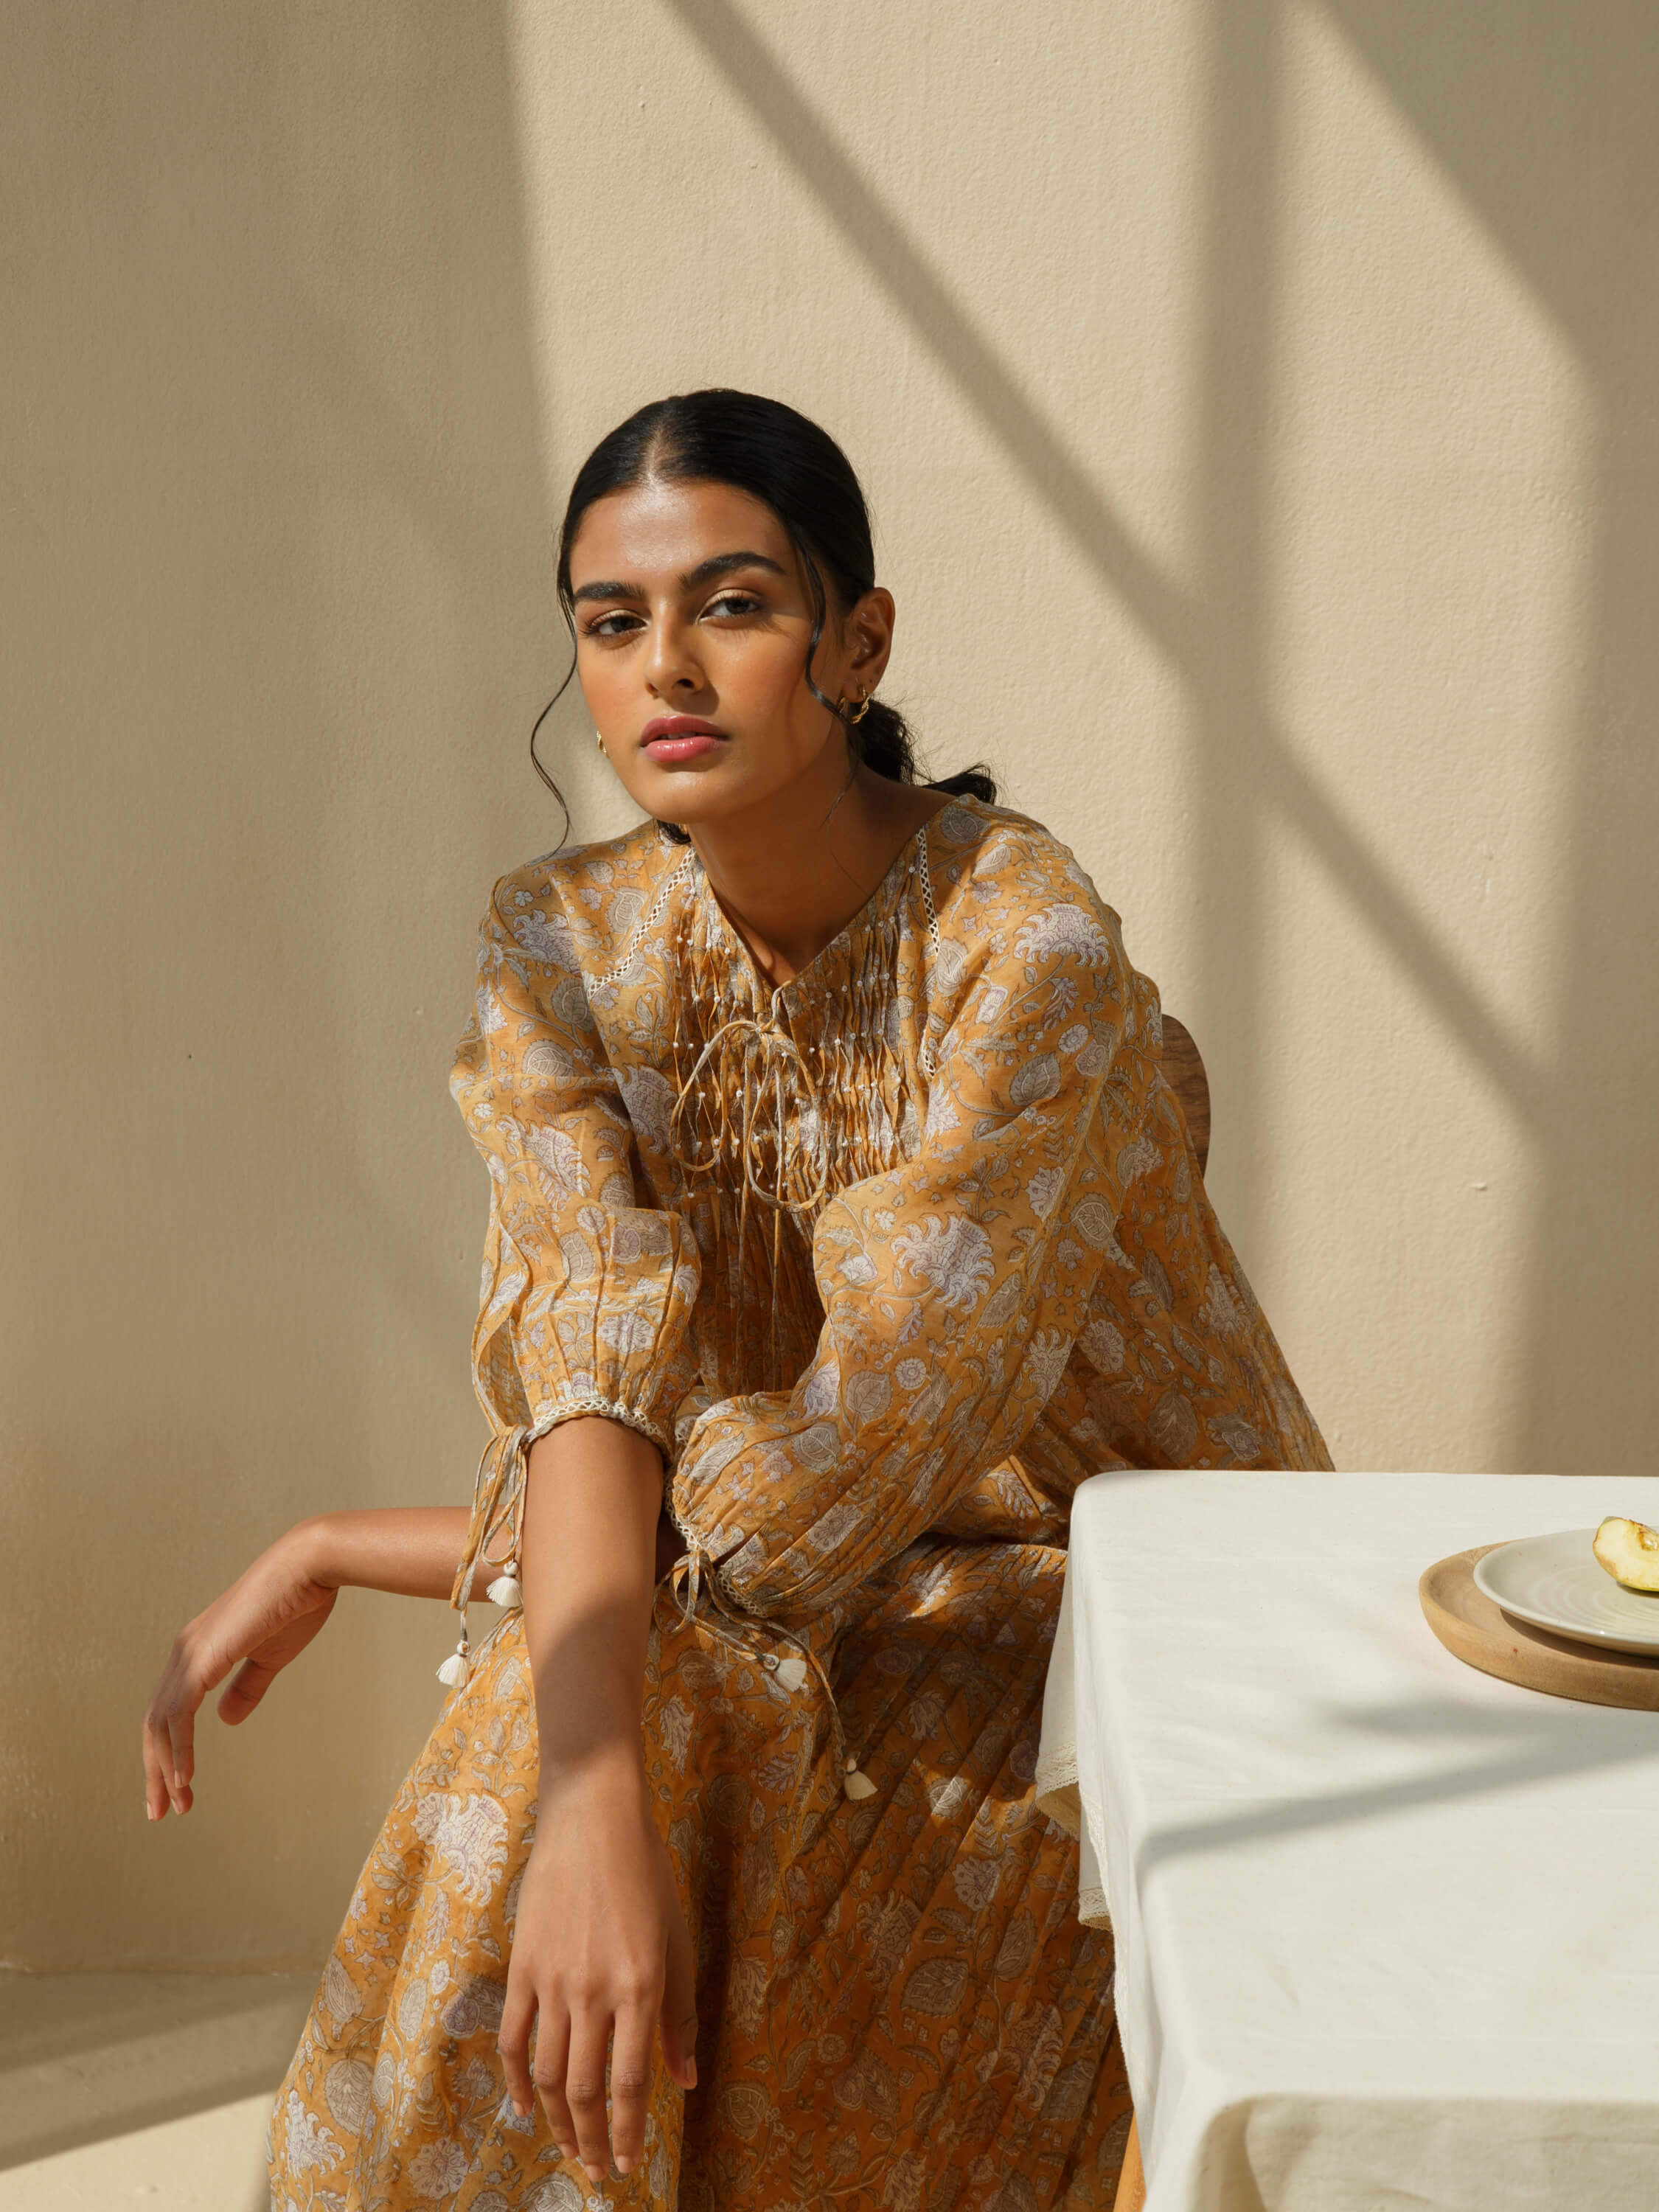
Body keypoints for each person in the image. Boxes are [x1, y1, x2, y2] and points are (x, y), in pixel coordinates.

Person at [143, 389, 1332, 2210]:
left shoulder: (1029, 947)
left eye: (736, 605)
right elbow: (596, 1365)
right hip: (787, 1595)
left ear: (857, 642)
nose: (666, 669)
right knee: (550, 1760)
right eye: (612, 623)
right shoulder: (560, 940)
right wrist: (569, 1764)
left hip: (1113, 1591)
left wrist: (404, 1550)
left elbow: (855, 1466)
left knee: (609, 1730)